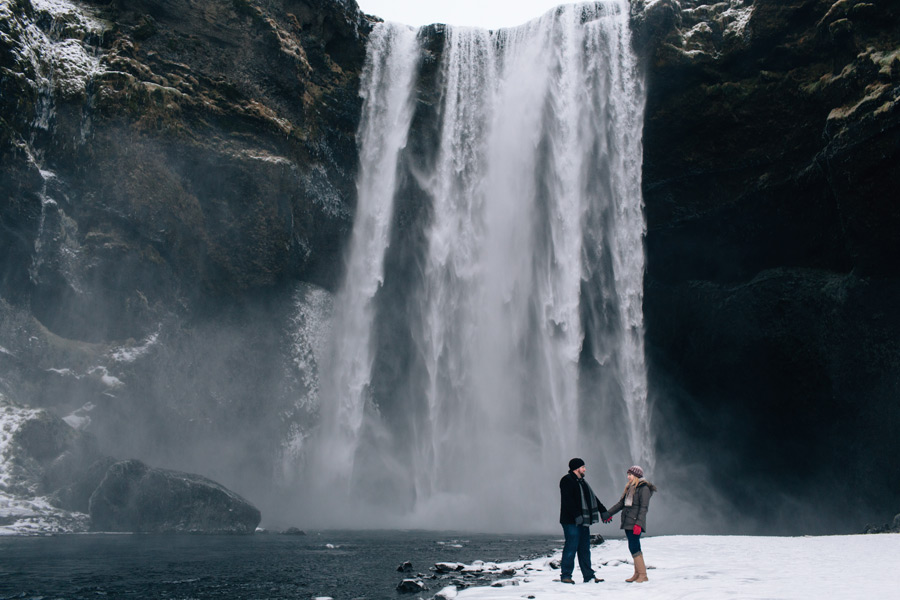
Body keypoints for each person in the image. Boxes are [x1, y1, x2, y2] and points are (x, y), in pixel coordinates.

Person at [558, 457, 612, 584]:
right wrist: (576, 515)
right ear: (577, 468)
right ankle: (566, 575)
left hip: (583, 521)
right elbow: (567, 499)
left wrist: (603, 511)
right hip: (571, 521)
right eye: (583, 467)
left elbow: (592, 498)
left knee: (584, 549)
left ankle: (589, 576)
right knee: (571, 547)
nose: (585, 469)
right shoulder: (566, 480)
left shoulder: (582, 482)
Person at [607, 465, 657, 583]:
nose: (628, 477)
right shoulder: (630, 488)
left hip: (635, 522)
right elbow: (621, 504)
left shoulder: (643, 488)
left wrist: (638, 524)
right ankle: (637, 573)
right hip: (628, 521)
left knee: (634, 547)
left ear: (637, 476)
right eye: (628, 474)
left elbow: (644, 508)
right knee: (633, 546)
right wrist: (608, 513)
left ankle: (643, 575)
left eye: (630, 475)